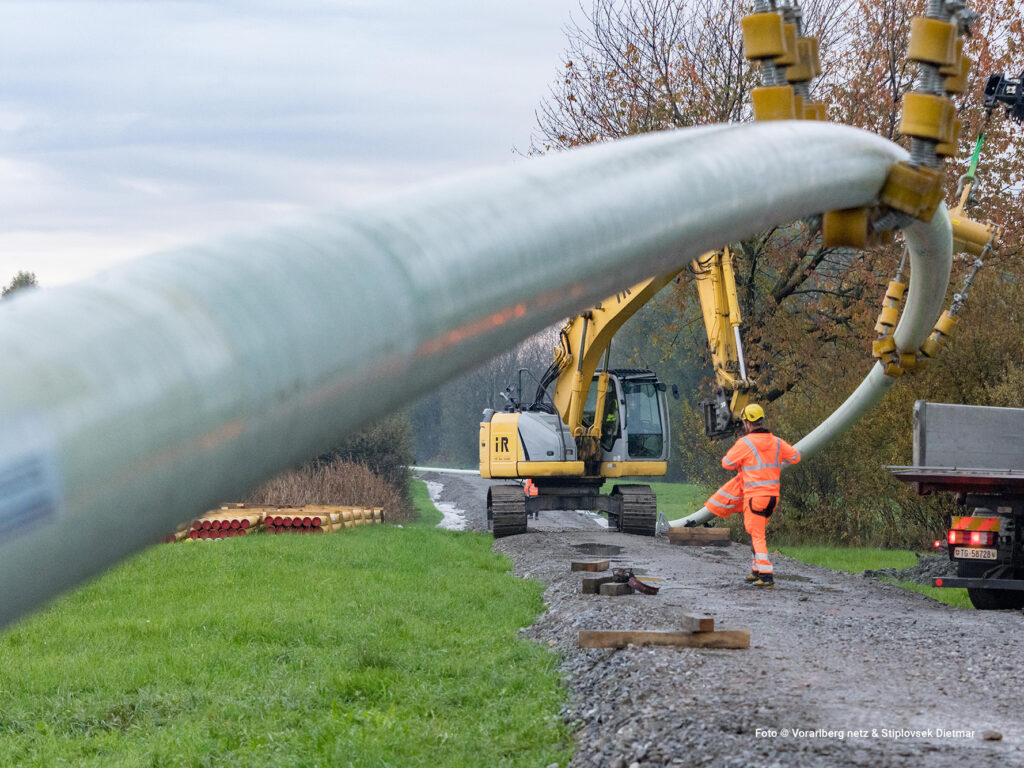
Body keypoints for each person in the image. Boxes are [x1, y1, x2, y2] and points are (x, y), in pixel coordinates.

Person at [706, 403, 800, 589]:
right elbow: (795, 457)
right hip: (772, 498)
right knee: (754, 532)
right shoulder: (777, 442)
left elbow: (727, 463)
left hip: (755, 498)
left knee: (757, 535)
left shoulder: (745, 443)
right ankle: (757, 569)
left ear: (747, 423)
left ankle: (766, 576)